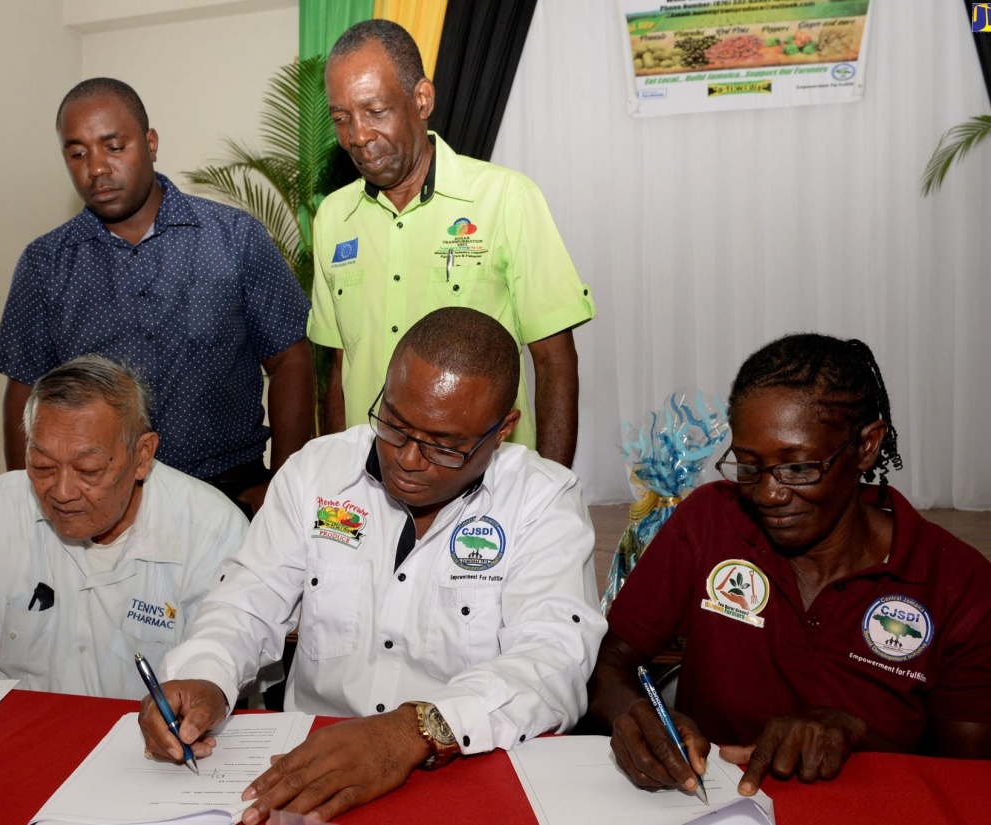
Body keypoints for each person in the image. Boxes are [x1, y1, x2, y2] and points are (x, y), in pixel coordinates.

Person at [139, 307, 605, 823]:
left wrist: (414, 731)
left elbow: (552, 663)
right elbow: (246, 601)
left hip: (463, 771)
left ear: (503, 431)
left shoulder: (543, 500)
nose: (408, 458)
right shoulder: (317, 472)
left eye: (444, 445)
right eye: (395, 425)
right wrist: (206, 675)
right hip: (308, 765)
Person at [587, 333, 991, 798]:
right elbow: (609, 662)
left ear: (866, 446)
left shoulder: (958, 586)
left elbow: (967, 783)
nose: (768, 494)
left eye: (798, 468)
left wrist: (859, 738)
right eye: (748, 466)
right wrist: (635, 717)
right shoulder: (710, 522)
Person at [0, 355, 249, 734]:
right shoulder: (2, 504)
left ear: (142, 456)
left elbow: (225, 665)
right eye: (42, 466)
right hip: (17, 745)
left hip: (143, 757)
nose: (63, 491)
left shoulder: (211, 528)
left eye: (88, 469)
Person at [0, 77, 313, 516]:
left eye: (113, 146)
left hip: (230, 494)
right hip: (99, 506)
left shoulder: (235, 238)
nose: (96, 167)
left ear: (151, 143)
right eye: (77, 153)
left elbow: (291, 357)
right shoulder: (45, 263)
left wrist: (282, 485)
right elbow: (24, 388)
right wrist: (28, 504)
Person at [309, 20, 594, 468]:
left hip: (486, 481)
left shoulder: (507, 199)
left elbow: (555, 362)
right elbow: (338, 370)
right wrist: (335, 474)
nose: (358, 136)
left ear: (421, 99)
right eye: (342, 118)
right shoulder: (332, 219)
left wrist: (551, 488)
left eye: (376, 111)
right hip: (374, 479)